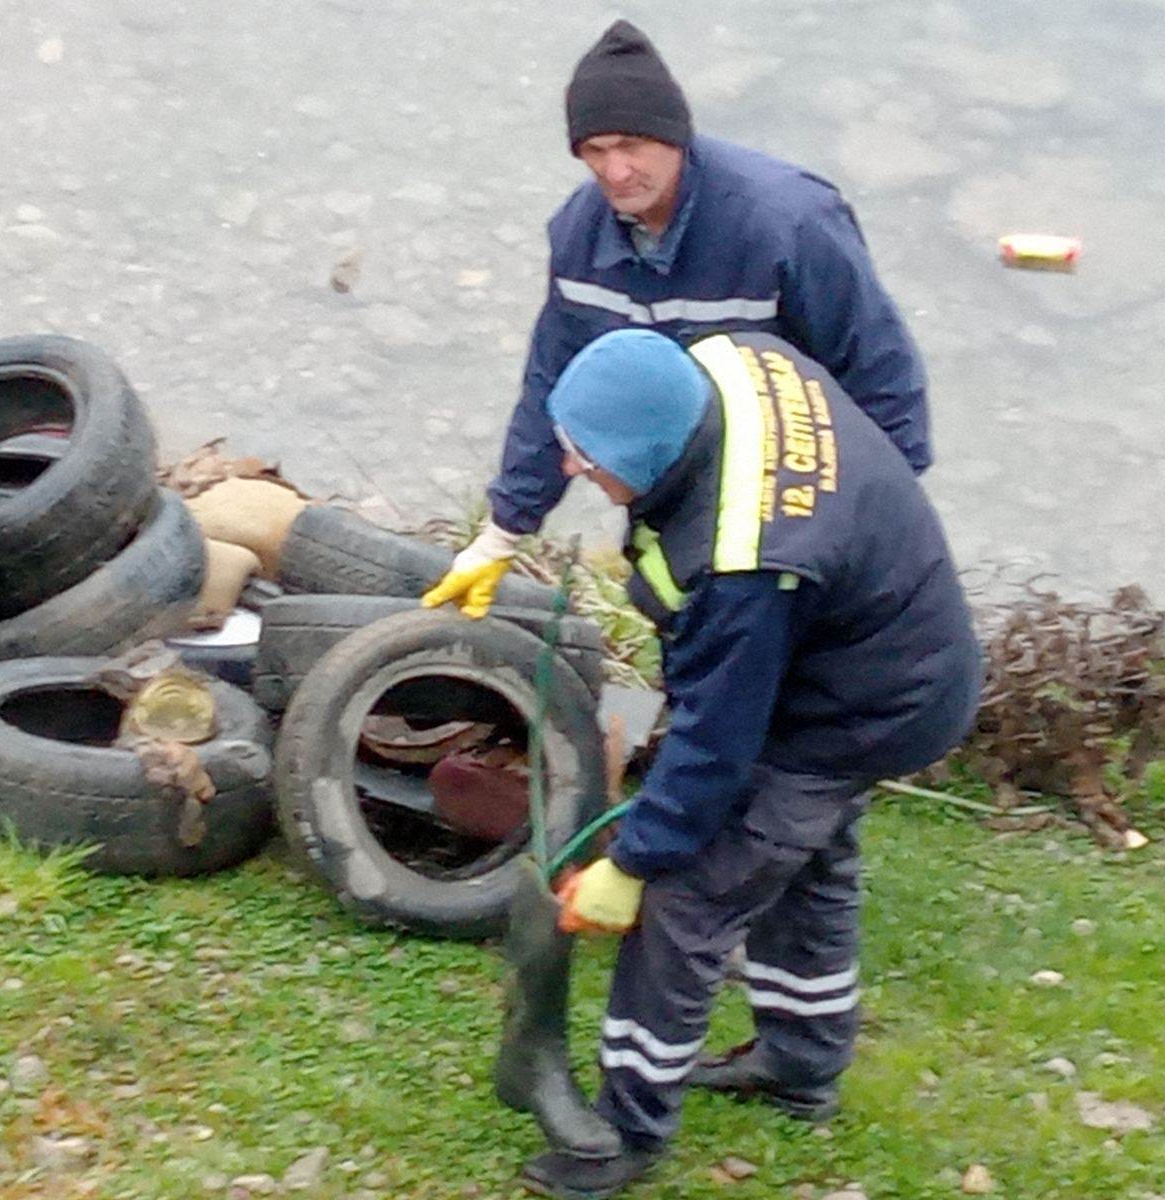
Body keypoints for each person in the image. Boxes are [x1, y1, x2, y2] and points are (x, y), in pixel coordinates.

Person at [427, 327, 981, 1199]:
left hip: (864, 704)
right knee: (806, 861)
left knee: (689, 899)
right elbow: (588, 425)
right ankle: (801, 1060)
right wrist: (500, 535)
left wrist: (636, 863)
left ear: (651, 459)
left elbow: (717, 747)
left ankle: (623, 1130)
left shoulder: (743, 561)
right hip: (876, 641)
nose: (574, 472)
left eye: (589, 461)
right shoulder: (719, 362)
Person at [433, 20, 931, 620]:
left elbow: (879, 374)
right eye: (595, 151)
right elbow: (556, 386)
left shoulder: (789, 224)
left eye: (632, 146)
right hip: (680, 482)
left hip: (792, 482)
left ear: (676, 138)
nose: (615, 172)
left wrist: (880, 529)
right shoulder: (579, 239)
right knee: (680, 624)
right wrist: (504, 532)